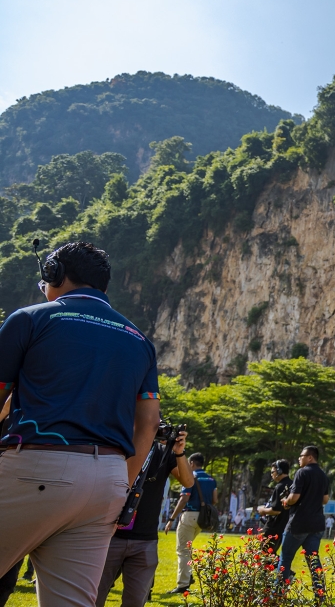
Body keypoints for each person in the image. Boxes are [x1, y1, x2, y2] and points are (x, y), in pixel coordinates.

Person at [0, 241, 160, 607]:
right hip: (108, 482)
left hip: (37, 467)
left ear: (54, 274)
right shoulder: (139, 340)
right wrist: (125, 487)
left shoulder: (31, 319)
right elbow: (149, 423)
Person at [97, 427, 195, 607]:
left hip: (145, 540)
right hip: (108, 536)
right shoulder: (117, 446)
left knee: (135, 601)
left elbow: (188, 482)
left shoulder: (163, 452)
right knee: (93, 597)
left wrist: (180, 453)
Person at [280, 446, 330, 595]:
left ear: (310, 457)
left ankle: (278, 594)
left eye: (301, 456)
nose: (299, 458)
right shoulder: (323, 475)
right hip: (317, 524)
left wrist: (286, 501)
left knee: (285, 558)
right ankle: (320, 594)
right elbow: (325, 499)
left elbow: (294, 497)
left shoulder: (302, 472)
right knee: (313, 560)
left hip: (299, 523)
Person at [165, 452, 217, 593]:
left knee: (182, 550)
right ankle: (189, 576)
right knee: (187, 549)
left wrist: (171, 519)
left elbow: (183, 499)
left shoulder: (190, 477)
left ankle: (183, 584)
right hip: (202, 518)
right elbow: (214, 500)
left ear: (192, 463)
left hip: (189, 515)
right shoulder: (211, 479)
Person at [257, 459, 293, 549]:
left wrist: (262, 510)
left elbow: (276, 511)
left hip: (274, 527)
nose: (271, 474)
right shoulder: (292, 484)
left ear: (279, 471)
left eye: (273, 472)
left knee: (264, 554)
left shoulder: (280, 486)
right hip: (285, 526)